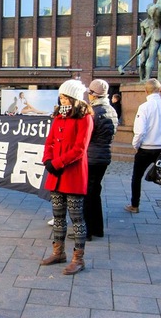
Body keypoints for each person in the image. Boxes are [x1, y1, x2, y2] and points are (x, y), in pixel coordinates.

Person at [40, 79, 94, 275]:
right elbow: (50, 141)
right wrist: (47, 159)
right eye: (61, 97)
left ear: (75, 99)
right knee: (58, 216)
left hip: (72, 174)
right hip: (56, 174)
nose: (62, 101)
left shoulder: (85, 118)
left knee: (77, 218)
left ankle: (78, 259)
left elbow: (80, 149)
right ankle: (58, 252)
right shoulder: (58, 117)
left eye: (66, 97)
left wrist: (57, 163)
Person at [83, 79, 118, 240]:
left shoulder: (92, 113)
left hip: (91, 157)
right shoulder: (111, 110)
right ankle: (98, 228)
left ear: (93, 95)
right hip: (104, 157)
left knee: (87, 194)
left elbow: (86, 136)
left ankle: (87, 231)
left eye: (89, 93)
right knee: (95, 191)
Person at [125, 78, 161, 213]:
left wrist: (136, 145)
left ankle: (135, 205)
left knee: (137, 177)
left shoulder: (144, 107)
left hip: (146, 148)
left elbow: (140, 131)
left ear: (145, 91)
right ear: (159, 89)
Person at [144, 0, 161, 81]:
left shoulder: (151, 9)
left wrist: (146, 40)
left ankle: (147, 78)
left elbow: (151, 26)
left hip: (156, 33)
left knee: (151, 58)